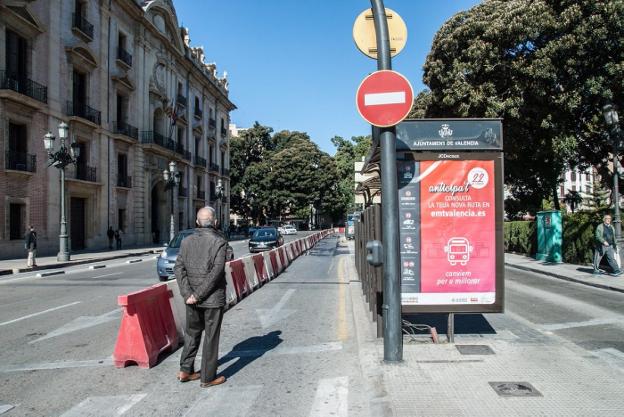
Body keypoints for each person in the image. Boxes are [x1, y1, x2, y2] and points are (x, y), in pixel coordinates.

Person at [174, 206, 227, 387]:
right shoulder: (219, 241)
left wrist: (187, 294)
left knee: (191, 334)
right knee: (211, 338)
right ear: (215, 222)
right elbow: (216, 272)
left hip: (191, 300)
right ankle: (208, 377)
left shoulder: (186, 241)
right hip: (212, 299)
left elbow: (178, 268)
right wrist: (197, 295)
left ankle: (185, 370)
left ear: (197, 222)